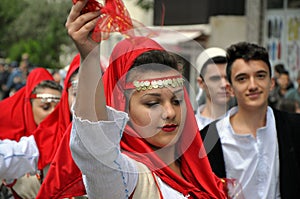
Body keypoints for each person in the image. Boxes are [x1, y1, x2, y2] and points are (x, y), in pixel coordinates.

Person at [60, 0, 232, 198]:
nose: (169, 113)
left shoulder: (202, 173)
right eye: (152, 103)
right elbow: (95, 149)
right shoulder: (128, 178)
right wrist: (89, 55)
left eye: (176, 101)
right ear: (124, 110)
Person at [200, 42, 300, 198]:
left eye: (260, 76)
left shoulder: (294, 128)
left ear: (271, 83)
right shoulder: (207, 140)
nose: (253, 85)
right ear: (230, 89)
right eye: (242, 79)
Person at [0, 67, 62, 198]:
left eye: (58, 109)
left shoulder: (67, 138)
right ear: (29, 105)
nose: (52, 114)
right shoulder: (10, 144)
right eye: (46, 107)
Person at [194, 47, 232, 130]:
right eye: (215, 78)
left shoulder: (244, 123)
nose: (224, 84)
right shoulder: (189, 126)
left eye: (228, 78)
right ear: (201, 83)